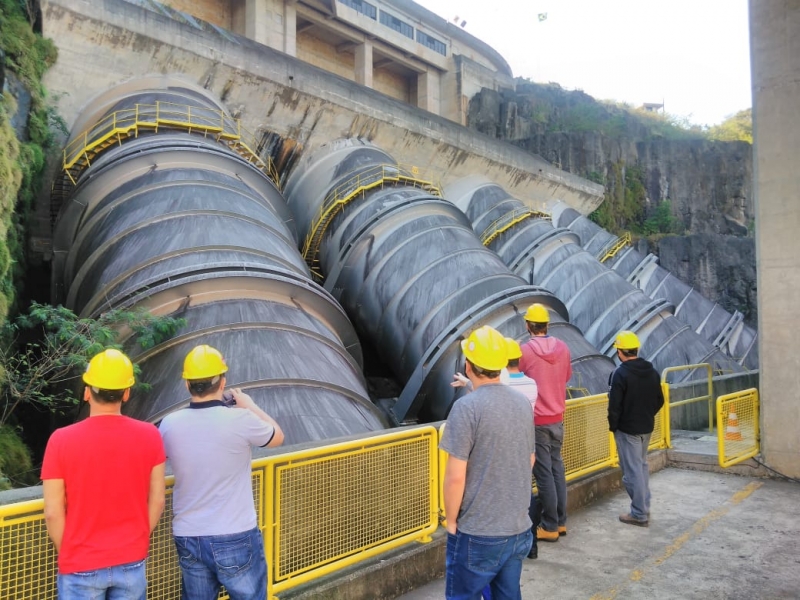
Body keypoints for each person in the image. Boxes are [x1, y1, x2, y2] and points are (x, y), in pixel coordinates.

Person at [159, 345, 284, 600]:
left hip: (189, 534)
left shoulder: (169, 424)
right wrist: (249, 406)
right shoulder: (241, 420)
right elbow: (277, 437)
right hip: (235, 532)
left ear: (187, 384)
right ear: (222, 382)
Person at [42, 348, 166, 600]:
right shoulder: (150, 435)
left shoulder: (60, 440)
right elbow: (158, 500)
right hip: (131, 560)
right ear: (127, 393)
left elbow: (53, 512)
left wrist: (71, 553)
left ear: (87, 392)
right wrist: (138, 541)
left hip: (80, 564)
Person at [440, 326, 536, 600]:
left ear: (468, 366)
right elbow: (530, 458)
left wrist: (451, 521)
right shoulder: (522, 403)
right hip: (518, 528)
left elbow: (455, 476)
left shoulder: (466, 408)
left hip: (478, 533)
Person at [518, 303, 572, 543]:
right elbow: (567, 376)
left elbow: (516, 378)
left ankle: (549, 526)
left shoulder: (525, 352)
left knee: (543, 474)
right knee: (557, 468)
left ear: (528, 325)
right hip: (558, 417)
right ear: (547, 325)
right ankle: (560, 521)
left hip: (537, 420)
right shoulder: (563, 347)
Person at [607, 330, 665, 527]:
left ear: (620, 352)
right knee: (641, 467)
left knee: (632, 472)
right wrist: (646, 415)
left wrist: (614, 426)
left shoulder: (620, 374)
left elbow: (614, 405)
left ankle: (639, 513)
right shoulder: (652, 372)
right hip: (646, 427)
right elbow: (659, 400)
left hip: (627, 430)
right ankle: (644, 507)